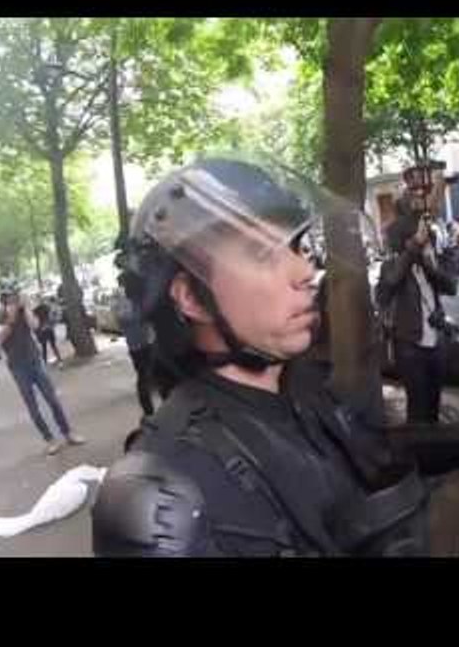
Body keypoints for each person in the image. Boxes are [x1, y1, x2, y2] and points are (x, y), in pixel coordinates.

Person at [92, 158, 431, 557]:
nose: (304, 269)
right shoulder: (169, 487)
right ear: (190, 298)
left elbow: (360, 466)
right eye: (262, 254)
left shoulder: (302, 384)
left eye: (296, 246)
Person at [376, 207, 458, 425]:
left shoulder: (429, 262)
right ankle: (418, 455)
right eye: (419, 238)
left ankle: (434, 451)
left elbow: (451, 287)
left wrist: (428, 265)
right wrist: (412, 252)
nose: (426, 242)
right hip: (411, 348)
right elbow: (389, 286)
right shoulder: (391, 267)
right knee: (418, 410)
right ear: (407, 241)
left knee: (433, 406)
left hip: (437, 345)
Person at [0, 285, 85, 455]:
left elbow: (35, 325)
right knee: (32, 406)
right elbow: (0, 338)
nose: (13, 301)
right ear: (4, 302)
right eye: (9, 299)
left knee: (52, 399)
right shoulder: (0, 318)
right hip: (18, 368)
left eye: (15, 297)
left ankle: (68, 433)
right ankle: (49, 439)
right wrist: (11, 318)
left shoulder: (24, 312)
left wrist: (26, 308)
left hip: (35, 361)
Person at [114, 276, 156, 416]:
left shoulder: (128, 302)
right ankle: (149, 412)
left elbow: (121, 322)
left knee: (146, 377)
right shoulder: (129, 303)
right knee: (145, 377)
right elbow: (124, 321)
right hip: (141, 345)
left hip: (140, 344)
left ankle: (149, 412)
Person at [33, 298, 63, 366]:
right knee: (53, 345)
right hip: (49, 328)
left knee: (44, 347)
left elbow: (34, 320)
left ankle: (45, 362)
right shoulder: (47, 307)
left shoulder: (36, 310)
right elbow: (52, 317)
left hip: (42, 330)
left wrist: (37, 330)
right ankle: (60, 360)